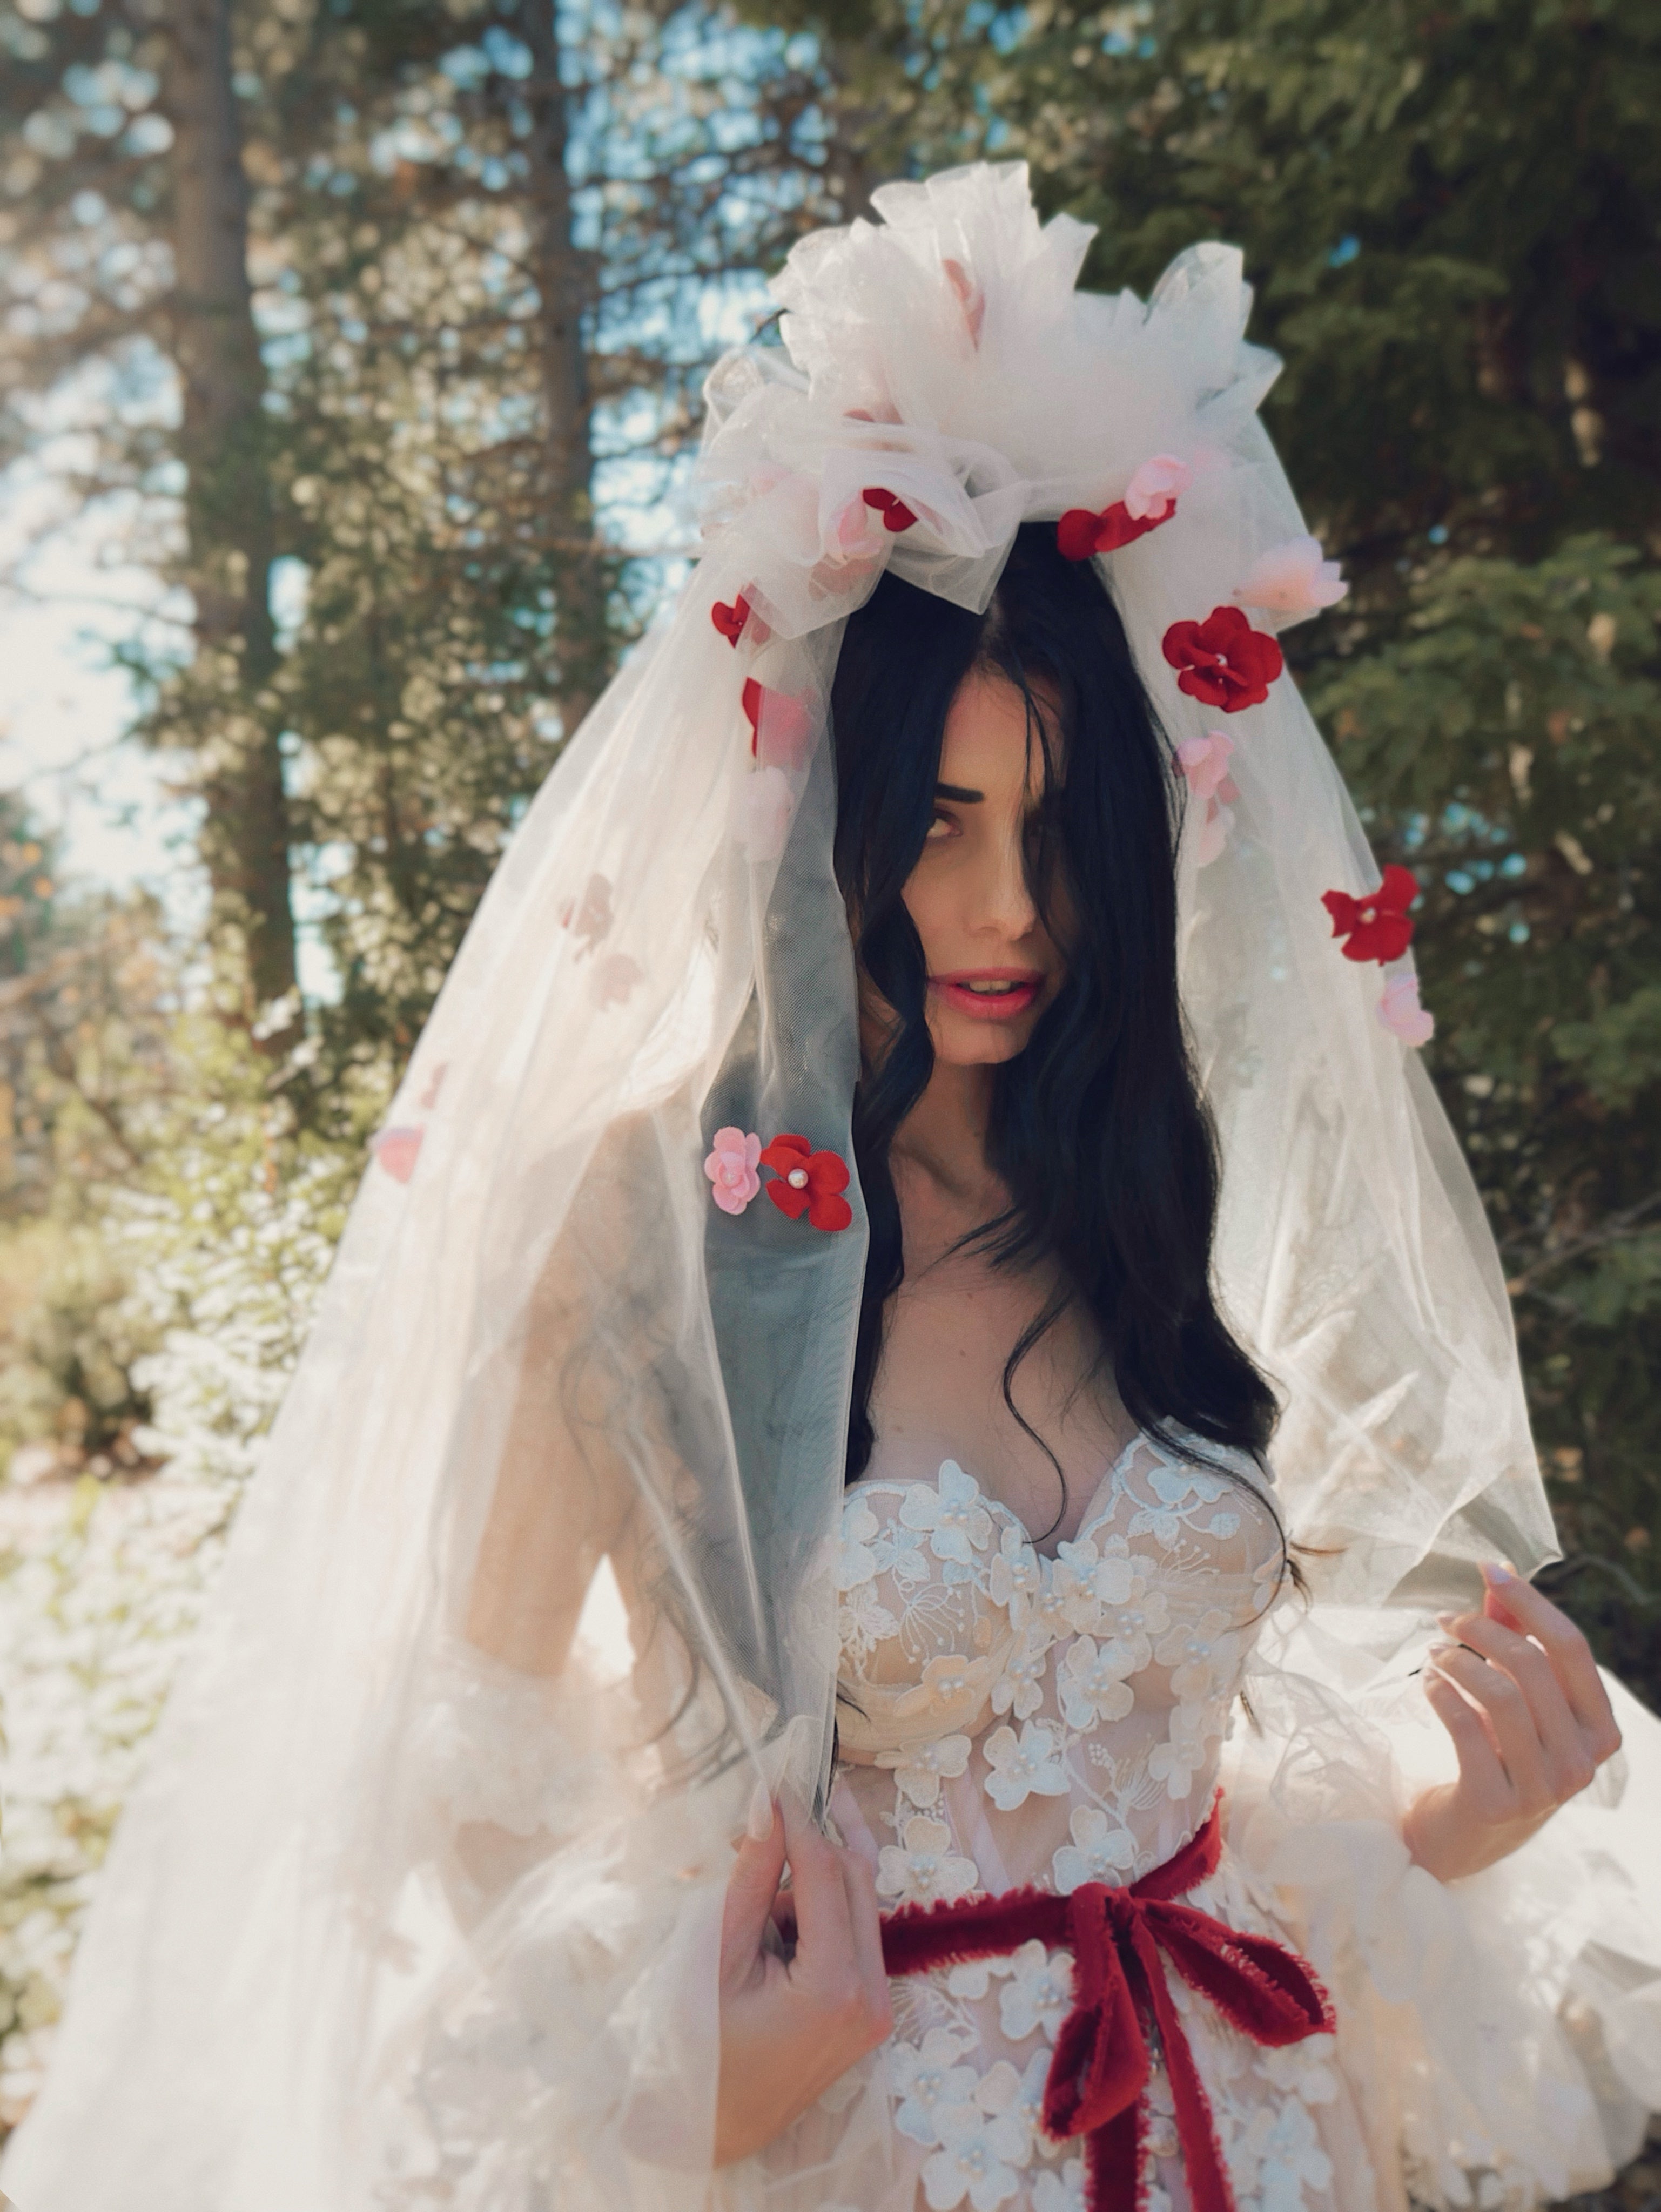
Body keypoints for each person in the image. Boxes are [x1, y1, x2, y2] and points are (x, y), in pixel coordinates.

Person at [4, 161, 1658, 2212]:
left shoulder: (1135, 1180)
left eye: (1061, 834)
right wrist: (685, 2089)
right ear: (819, 811)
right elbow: (462, 1810)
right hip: (863, 2156)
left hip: (1248, 2107)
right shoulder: (646, 1224)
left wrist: (1446, 1801)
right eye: (937, 820)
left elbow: (1182, 1764)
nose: (999, 913)